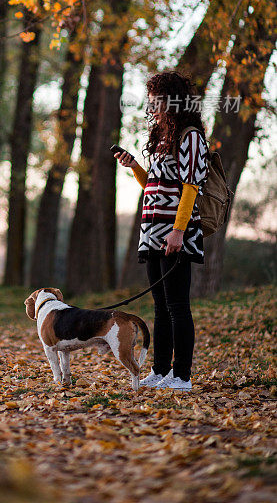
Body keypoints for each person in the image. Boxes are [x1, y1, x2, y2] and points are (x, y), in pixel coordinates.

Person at [114, 71, 209, 390]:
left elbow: (190, 187)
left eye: (156, 101)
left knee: (178, 305)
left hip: (176, 232)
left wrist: (179, 231)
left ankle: (181, 376)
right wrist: (135, 167)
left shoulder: (190, 136)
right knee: (160, 306)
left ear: (172, 101)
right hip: (152, 232)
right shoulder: (159, 136)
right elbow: (154, 186)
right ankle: (160, 371)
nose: (151, 107)